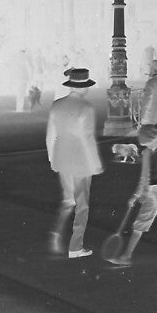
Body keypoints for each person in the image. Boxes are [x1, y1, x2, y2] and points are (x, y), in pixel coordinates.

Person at [46, 68, 103, 258]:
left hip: (61, 158)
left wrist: (52, 158)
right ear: (84, 88)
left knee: (68, 199)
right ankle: (75, 246)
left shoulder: (56, 105)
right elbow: (87, 138)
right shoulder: (86, 108)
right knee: (82, 204)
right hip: (80, 161)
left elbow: (50, 136)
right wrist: (95, 163)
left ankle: (56, 231)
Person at [110, 124, 157, 266]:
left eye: (145, 141)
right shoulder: (145, 153)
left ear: (152, 138)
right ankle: (126, 256)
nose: (143, 144)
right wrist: (136, 195)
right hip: (151, 192)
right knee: (140, 222)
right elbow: (144, 177)